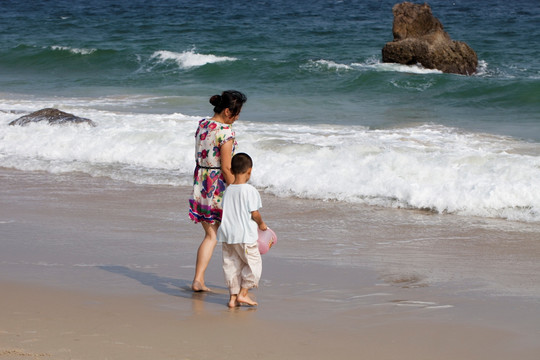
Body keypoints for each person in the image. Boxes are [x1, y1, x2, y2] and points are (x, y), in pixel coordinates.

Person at [189, 90, 247, 292]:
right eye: (237, 113)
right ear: (227, 111)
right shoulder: (226, 132)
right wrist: (239, 188)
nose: (238, 117)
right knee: (235, 236)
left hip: (201, 180)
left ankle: (198, 279)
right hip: (218, 185)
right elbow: (225, 167)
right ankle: (239, 287)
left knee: (211, 236)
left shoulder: (203, 124)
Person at [217, 153, 267, 307]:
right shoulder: (250, 191)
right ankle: (243, 294)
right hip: (245, 236)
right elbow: (255, 213)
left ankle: (232, 298)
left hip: (227, 235)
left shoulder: (228, 190)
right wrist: (262, 224)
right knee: (254, 265)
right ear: (249, 171)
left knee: (232, 265)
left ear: (231, 170)